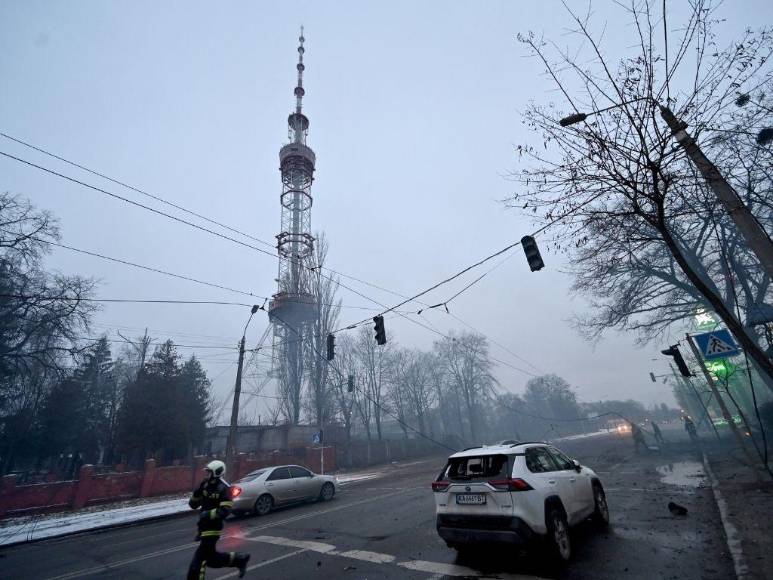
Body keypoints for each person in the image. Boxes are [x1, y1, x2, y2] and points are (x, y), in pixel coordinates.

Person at [187, 460, 250, 579]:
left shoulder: (225, 488)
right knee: (211, 559)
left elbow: (225, 510)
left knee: (199, 561)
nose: (206, 475)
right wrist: (196, 494)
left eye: (209, 472)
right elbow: (193, 505)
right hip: (203, 526)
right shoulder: (205, 484)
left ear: (217, 472)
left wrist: (208, 514)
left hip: (213, 529)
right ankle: (239, 559)